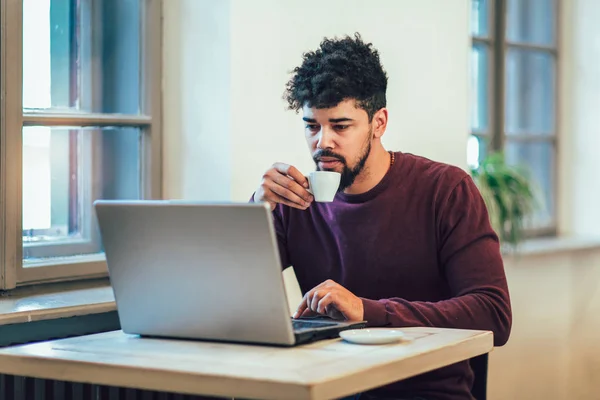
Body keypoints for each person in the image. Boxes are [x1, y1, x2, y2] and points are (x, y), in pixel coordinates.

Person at [251, 33, 512, 400]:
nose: (322, 142)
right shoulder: (293, 202)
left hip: (422, 392)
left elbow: (493, 314)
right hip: (326, 386)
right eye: (312, 126)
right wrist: (257, 211)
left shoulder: (445, 190)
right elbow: (232, 294)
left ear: (379, 123)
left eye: (340, 126)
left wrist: (366, 311)